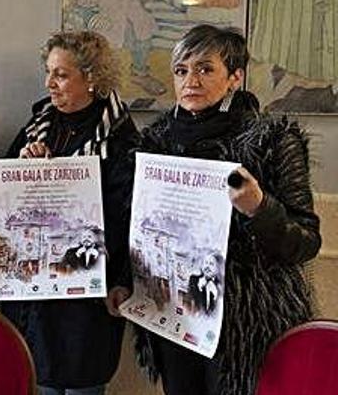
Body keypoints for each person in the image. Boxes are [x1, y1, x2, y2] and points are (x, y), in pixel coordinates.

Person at [134, 25, 321, 395]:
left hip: (243, 324)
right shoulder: (157, 141)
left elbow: (306, 241)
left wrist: (260, 208)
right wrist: (126, 281)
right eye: (181, 70)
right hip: (174, 313)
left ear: (235, 77)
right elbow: (138, 225)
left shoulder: (272, 140)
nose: (191, 80)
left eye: (205, 69)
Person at [1, 30, 140, 395]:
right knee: (40, 380)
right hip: (39, 290)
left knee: (83, 382)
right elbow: (7, 196)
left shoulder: (120, 136)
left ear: (91, 78)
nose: (50, 83)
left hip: (88, 293)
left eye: (61, 75)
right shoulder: (38, 124)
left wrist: (121, 280)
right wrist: (25, 165)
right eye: (49, 73)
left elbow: (127, 215)